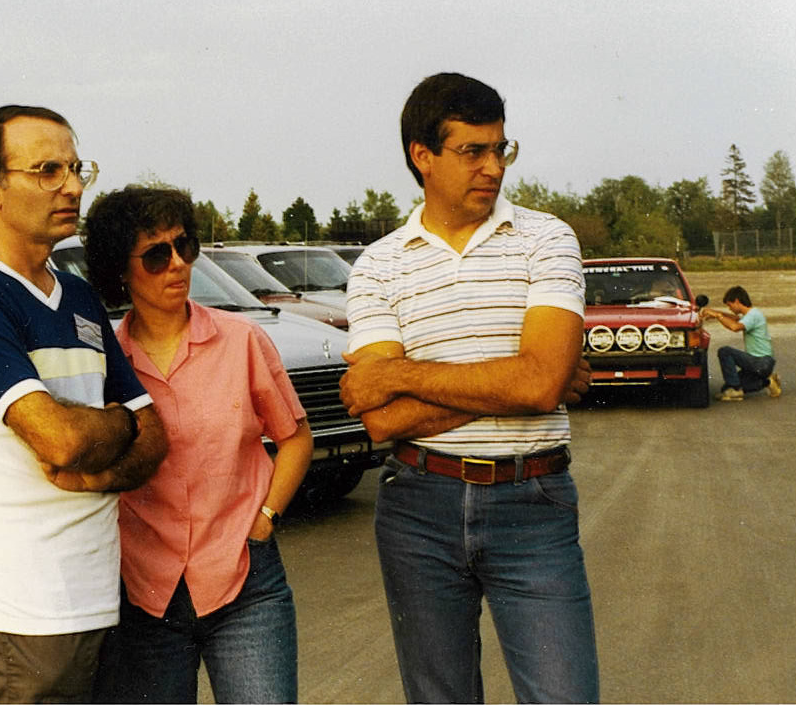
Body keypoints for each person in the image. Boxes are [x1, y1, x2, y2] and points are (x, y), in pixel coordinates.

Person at [339, 73, 598, 703]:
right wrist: (523, 380)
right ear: (420, 156)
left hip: (531, 500)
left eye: (501, 149)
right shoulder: (379, 264)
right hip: (417, 509)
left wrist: (399, 375)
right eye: (472, 151)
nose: (493, 168)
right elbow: (379, 421)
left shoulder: (547, 238)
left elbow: (537, 385)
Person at [0, 106, 168, 703]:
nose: (74, 186)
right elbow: (61, 441)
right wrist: (116, 424)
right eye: (48, 170)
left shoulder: (77, 295)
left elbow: (155, 433)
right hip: (21, 608)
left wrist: (102, 470)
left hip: (97, 591)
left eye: (77, 168)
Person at [82, 185, 313, 704]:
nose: (176, 265)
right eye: (156, 254)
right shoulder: (104, 363)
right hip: (145, 597)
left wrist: (265, 520)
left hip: (246, 582)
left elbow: (296, 439)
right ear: (120, 268)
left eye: (184, 246)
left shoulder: (242, 341)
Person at [701, 285, 782, 401]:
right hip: (760, 363)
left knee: (725, 351)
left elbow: (735, 327)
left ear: (737, 301)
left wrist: (718, 316)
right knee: (726, 389)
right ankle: (768, 382)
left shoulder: (753, 315)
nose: (730, 308)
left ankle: (736, 390)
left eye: (730, 305)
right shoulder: (750, 315)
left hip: (761, 361)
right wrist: (715, 312)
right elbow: (735, 318)